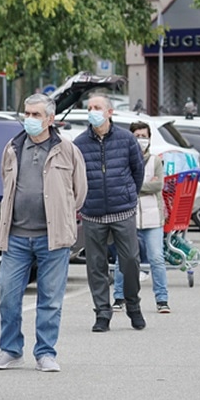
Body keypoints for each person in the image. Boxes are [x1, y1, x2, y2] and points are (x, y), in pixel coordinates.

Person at [0, 93, 86, 373]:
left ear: (50, 119)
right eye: (27, 114)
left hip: (52, 238)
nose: (30, 120)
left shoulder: (66, 149)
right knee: (7, 294)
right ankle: (11, 349)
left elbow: (79, 192)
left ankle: (45, 352)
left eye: (36, 115)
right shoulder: (13, 147)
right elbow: (8, 183)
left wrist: (61, 215)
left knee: (50, 299)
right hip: (16, 236)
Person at [74, 93, 146, 333]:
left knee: (130, 261)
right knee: (96, 266)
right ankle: (102, 313)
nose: (92, 111)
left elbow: (138, 171)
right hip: (93, 212)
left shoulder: (126, 139)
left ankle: (133, 306)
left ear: (109, 112)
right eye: (89, 107)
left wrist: (128, 195)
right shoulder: (80, 142)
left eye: (97, 107)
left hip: (122, 211)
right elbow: (76, 177)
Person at [111, 121, 171, 315]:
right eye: (137, 136)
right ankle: (119, 297)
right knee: (124, 259)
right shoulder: (123, 160)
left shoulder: (155, 161)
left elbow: (158, 186)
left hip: (153, 218)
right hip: (128, 216)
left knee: (156, 258)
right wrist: (144, 183)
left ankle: (162, 299)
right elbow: (120, 185)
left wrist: (135, 185)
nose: (141, 140)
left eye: (144, 136)